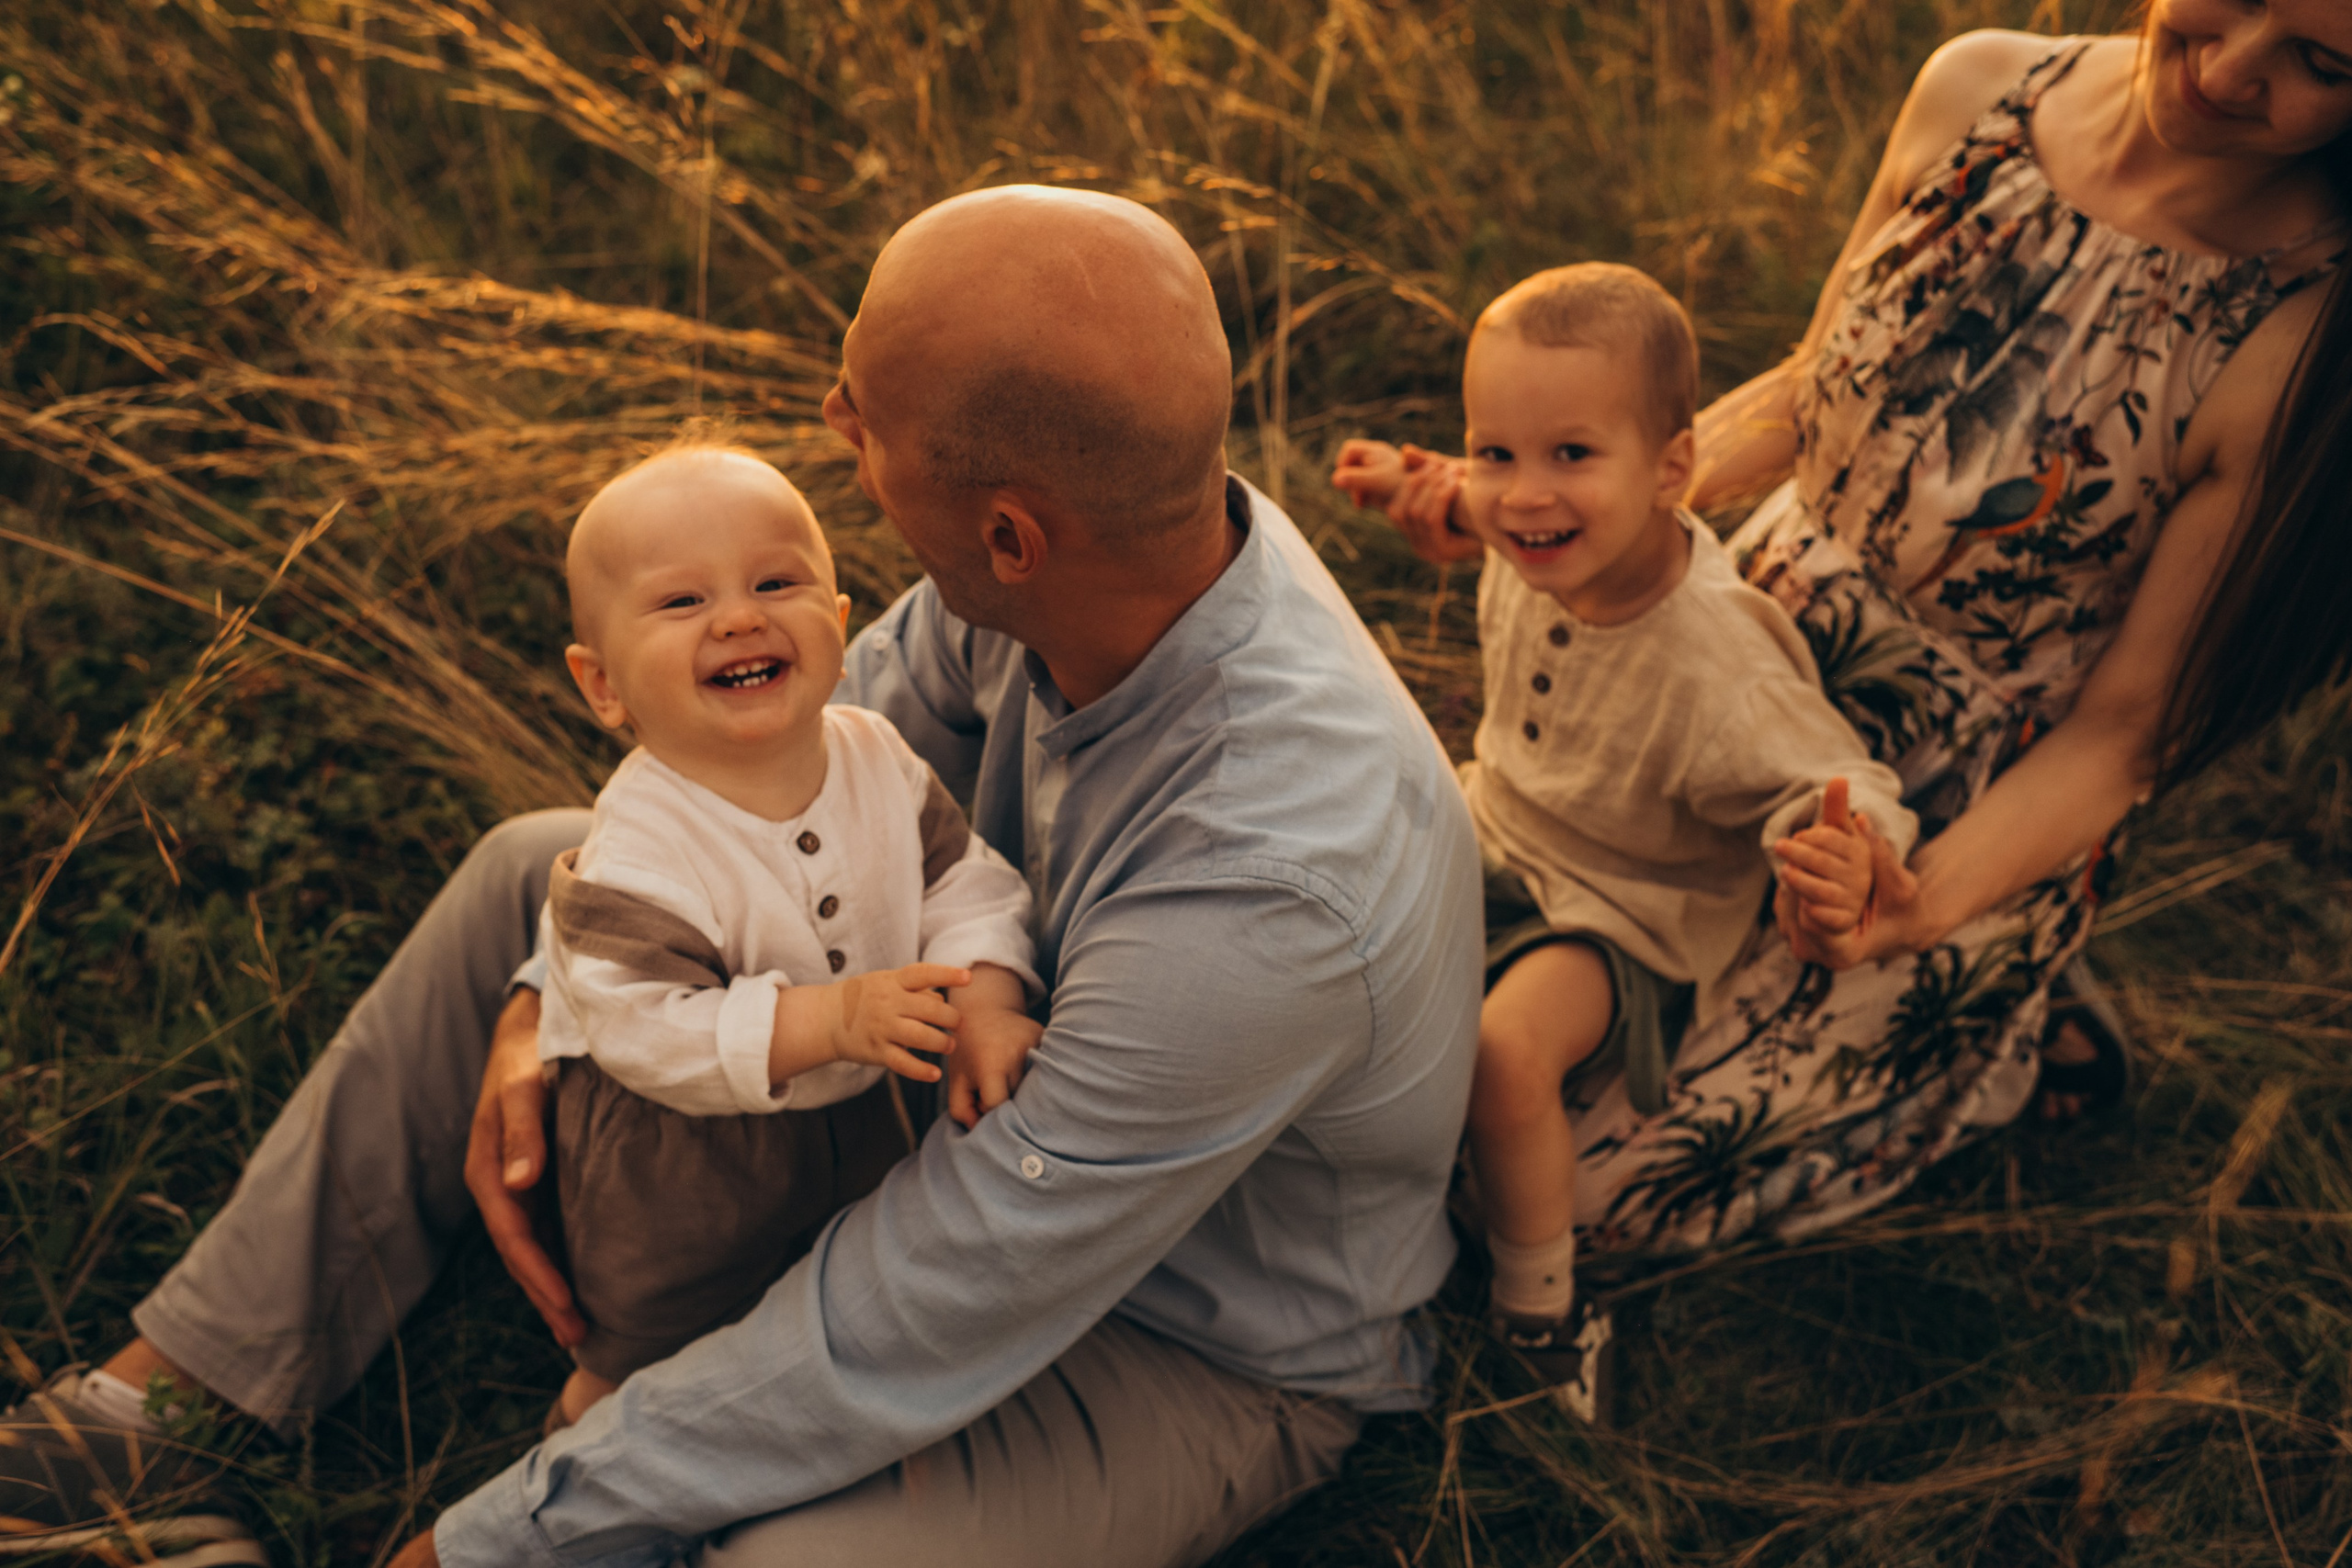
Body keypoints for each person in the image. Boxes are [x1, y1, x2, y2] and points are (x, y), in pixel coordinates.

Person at [0, 185, 1482, 1568]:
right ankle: (160, 1417)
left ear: (1010, 532)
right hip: (943, 1085)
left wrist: (489, 1540)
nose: (837, 425)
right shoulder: (1093, 566)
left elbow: (928, 1295)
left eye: (867, 416)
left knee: (773, 1555)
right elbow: (760, 796)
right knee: (538, 868)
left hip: (1186, 1329)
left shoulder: (1272, 884)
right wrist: (550, 1000)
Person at [1350, 3, 2350, 1259]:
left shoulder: (2305, 333)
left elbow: (2126, 736)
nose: (2230, 67)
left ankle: (1998, 1026)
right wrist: (1545, 510)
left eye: (2322, 64)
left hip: (1928, 814)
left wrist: (1911, 912)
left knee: (1527, 1187)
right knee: (1398, 1074)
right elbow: (1813, 391)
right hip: (1718, 656)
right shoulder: (1979, 91)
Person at [1333, 262, 1919, 1413]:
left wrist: (1844, 847)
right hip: (1493, 825)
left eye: (1569, 456)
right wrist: (1432, 487)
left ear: (1674, 468)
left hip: (1623, 909)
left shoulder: (1715, 656)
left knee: (1505, 1050)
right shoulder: (1542, 533)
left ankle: (1541, 1314)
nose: (1521, 495)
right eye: (1495, 450)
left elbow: (1836, 775)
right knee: (1329, 894)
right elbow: (1485, 507)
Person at [536, 445, 1041, 1426]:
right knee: (650, 1345)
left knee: (839, 1291)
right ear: (603, 686)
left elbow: (959, 881)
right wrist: (829, 1017)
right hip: (684, 1159)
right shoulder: (639, 842)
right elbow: (641, 1027)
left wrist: (986, 1000)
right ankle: (587, 1439)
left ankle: (806, 1408)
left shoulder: (875, 757)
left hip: (863, 1116)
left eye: (776, 582)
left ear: (840, 626)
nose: (737, 616)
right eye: (682, 603)